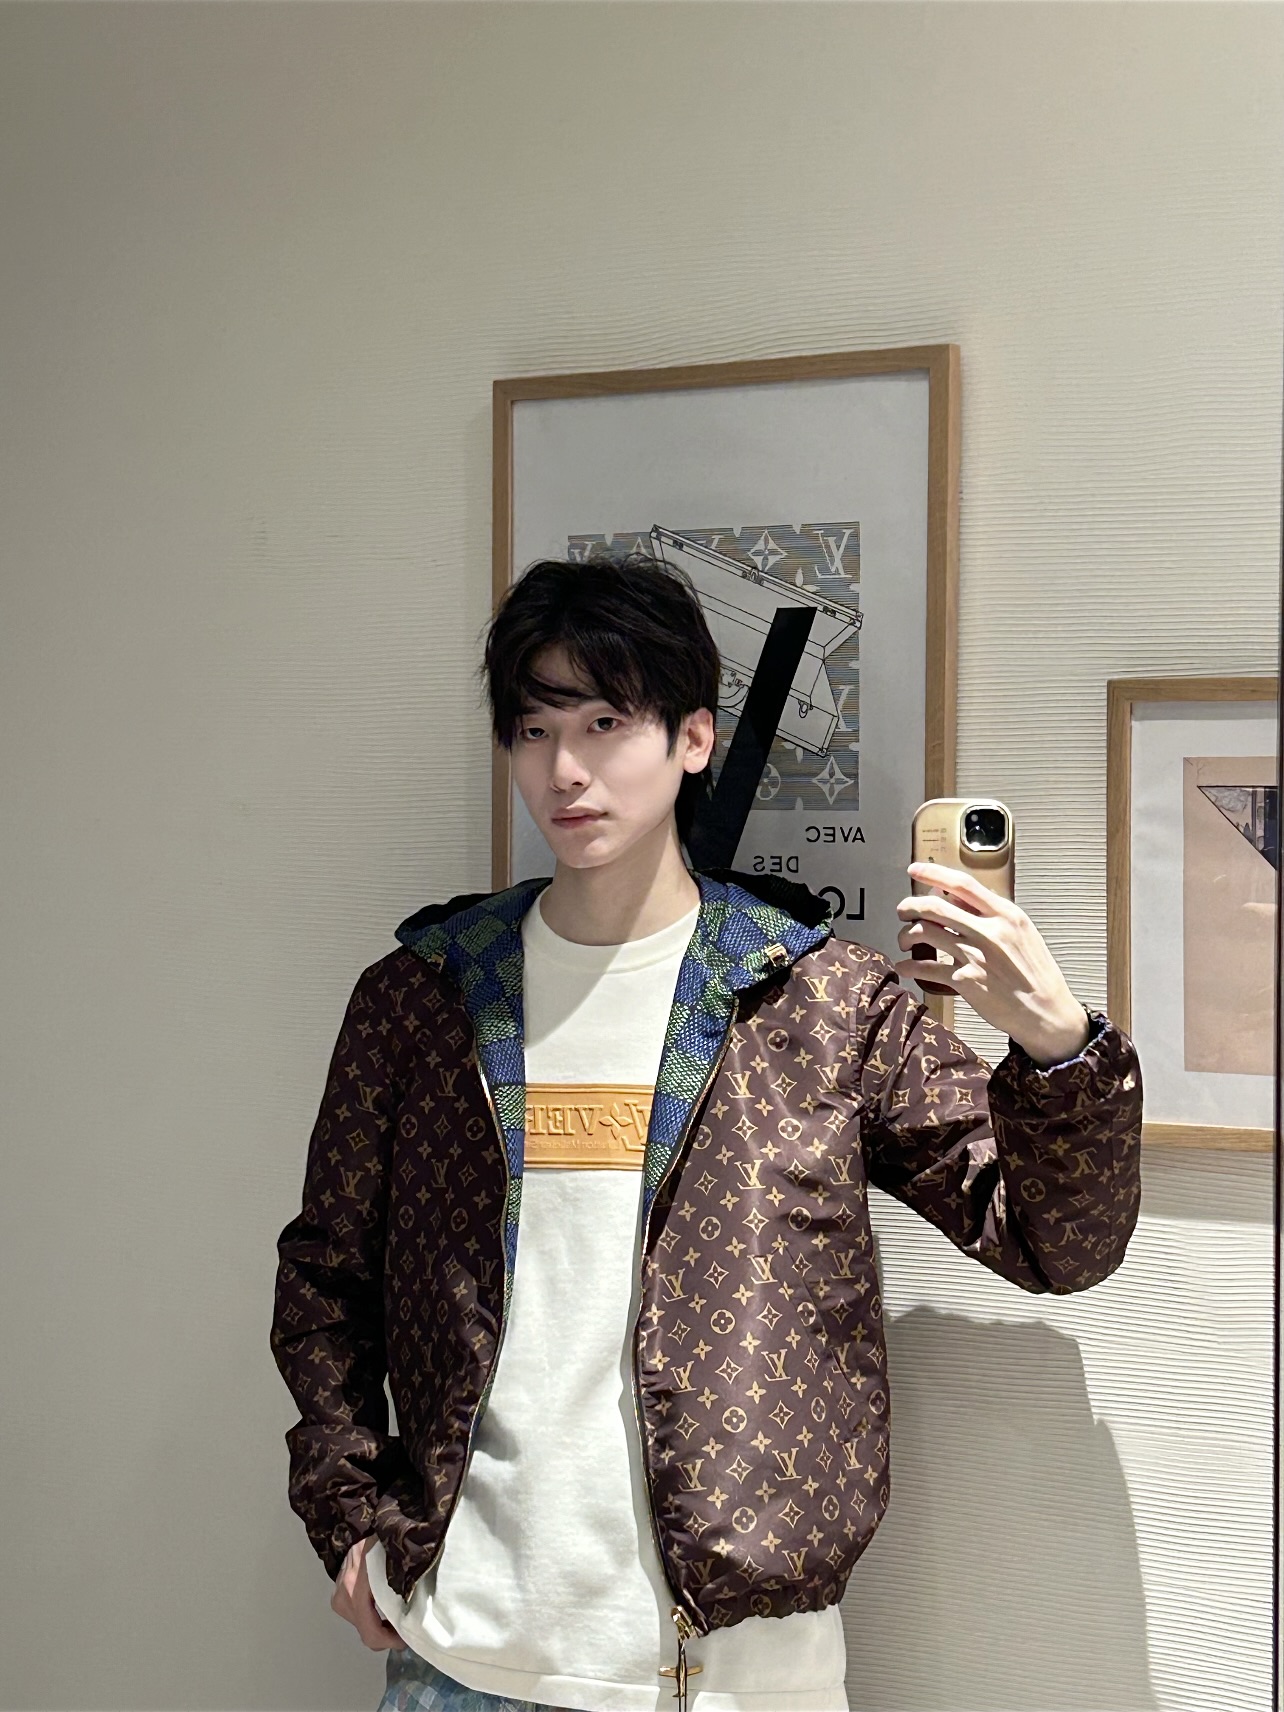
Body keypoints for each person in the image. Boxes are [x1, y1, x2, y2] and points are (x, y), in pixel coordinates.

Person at [270, 554, 1143, 1712]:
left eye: (604, 722)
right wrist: (348, 1514)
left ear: (693, 737)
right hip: (463, 1652)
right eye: (533, 729)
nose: (566, 768)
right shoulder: (425, 998)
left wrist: (1058, 1045)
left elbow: (1055, 1242)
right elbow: (326, 1278)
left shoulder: (820, 1002)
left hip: (740, 1675)